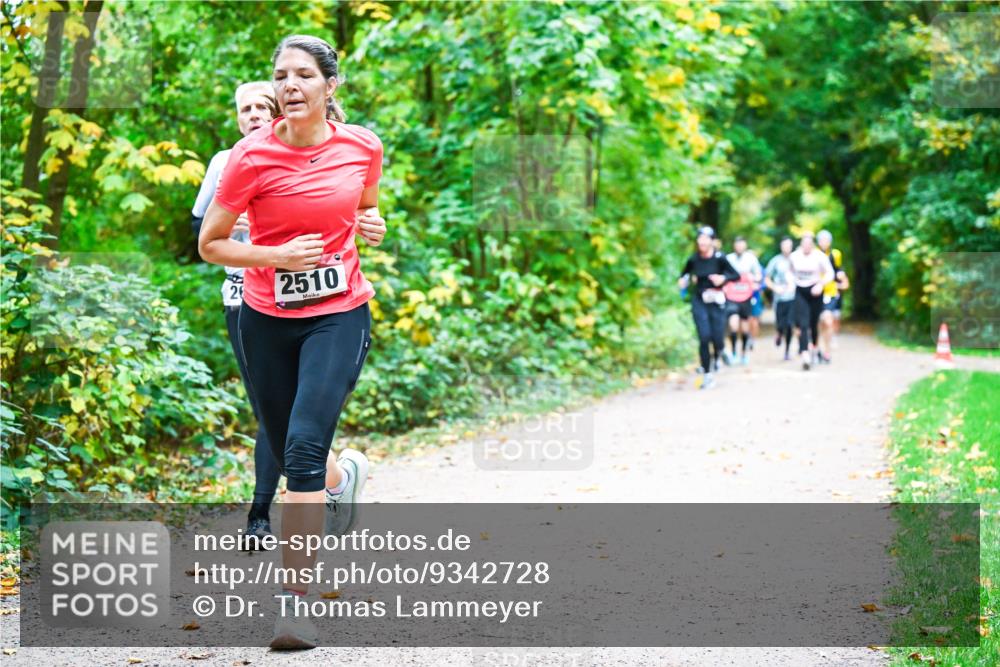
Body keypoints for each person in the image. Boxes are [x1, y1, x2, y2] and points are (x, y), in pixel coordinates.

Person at [199, 34, 386, 649]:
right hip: (265, 317)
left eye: (303, 74)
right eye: (281, 75)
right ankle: (340, 479)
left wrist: (372, 225)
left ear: (330, 85)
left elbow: (363, 210)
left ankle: (293, 606)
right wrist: (276, 256)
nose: (289, 85)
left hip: (339, 313)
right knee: (287, 449)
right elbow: (211, 244)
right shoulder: (249, 157)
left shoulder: (362, 145)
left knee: (301, 450)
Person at [191, 81, 282, 547]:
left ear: (279, 111)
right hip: (241, 299)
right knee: (267, 407)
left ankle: (325, 479)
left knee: (296, 406)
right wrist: (227, 223)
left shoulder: (297, 157)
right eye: (245, 109)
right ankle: (260, 516)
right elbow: (198, 225)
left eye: (263, 107)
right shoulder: (223, 162)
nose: (254, 115)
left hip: (293, 297)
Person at [678, 227, 739, 389]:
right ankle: (707, 375)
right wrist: (683, 281)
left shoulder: (720, 258)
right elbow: (684, 274)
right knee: (704, 337)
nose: (702, 242)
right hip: (699, 300)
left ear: (712, 241)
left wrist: (723, 278)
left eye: (705, 238)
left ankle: (720, 351)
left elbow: (736, 275)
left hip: (717, 302)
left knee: (717, 338)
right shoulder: (694, 259)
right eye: (700, 238)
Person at [788, 231, 834, 370]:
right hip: (800, 291)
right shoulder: (794, 256)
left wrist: (821, 284)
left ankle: (814, 347)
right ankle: (805, 354)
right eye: (804, 243)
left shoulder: (820, 256)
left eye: (809, 243)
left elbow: (830, 273)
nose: (807, 246)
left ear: (813, 244)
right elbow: (789, 272)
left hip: (815, 291)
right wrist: (791, 282)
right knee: (803, 323)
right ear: (801, 244)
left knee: (814, 323)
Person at [723, 236, 762, 365]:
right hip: (731, 297)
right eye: (737, 244)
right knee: (733, 324)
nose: (739, 246)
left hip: (746, 297)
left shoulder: (751, 259)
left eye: (742, 244)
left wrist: (754, 280)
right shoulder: (728, 259)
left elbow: (758, 275)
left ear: (745, 246)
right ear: (734, 246)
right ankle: (734, 352)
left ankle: (744, 353)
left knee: (745, 327)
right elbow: (722, 274)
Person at [817, 229, 849, 363]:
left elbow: (838, 270)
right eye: (821, 240)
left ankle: (827, 350)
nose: (824, 242)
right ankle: (817, 348)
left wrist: (839, 283)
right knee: (818, 323)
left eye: (826, 240)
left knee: (829, 320)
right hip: (816, 292)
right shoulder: (814, 254)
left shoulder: (835, 254)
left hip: (830, 293)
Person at [764, 237, 796, 361]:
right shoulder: (775, 261)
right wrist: (775, 288)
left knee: (790, 324)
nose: (787, 248)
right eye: (784, 245)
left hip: (793, 297)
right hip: (779, 298)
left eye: (789, 245)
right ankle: (779, 333)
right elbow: (766, 278)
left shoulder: (796, 259)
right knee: (780, 324)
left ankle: (787, 351)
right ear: (781, 246)